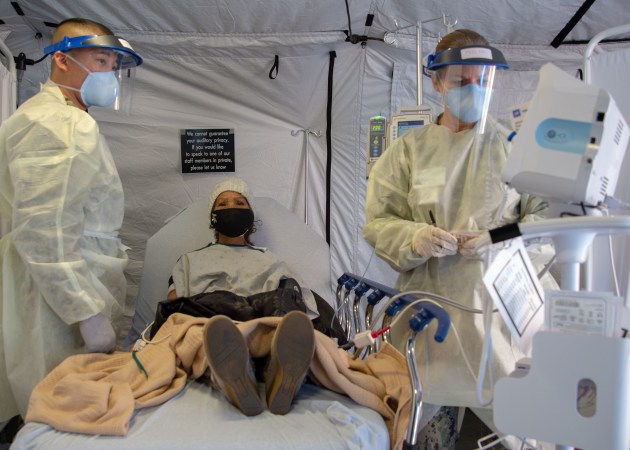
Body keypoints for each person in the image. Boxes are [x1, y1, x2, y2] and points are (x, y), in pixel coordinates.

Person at [362, 29, 553, 446]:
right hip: (433, 326)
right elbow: (378, 222)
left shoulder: (514, 147)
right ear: (436, 81)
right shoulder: (408, 151)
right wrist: (417, 238)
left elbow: (549, 225)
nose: (475, 91)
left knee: (524, 435)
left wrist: (499, 237)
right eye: (462, 82)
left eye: (483, 81)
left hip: (504, 322)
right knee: (422, 435)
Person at [0, 18, 143, 425]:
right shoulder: (59, 123)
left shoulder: (55, 117)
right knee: (63, 415)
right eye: (100, 59)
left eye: (114, 64)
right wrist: (85, 313)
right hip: (59, 308)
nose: (109, 73)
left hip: (59, 294)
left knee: (59, 412)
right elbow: (43, 229)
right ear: (61, 59)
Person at [161, 177, 342, 416]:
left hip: (262, 323)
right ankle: (236, 373)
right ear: (212, 216)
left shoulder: (271, 260)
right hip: (213, 325)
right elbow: (173, 312)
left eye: (239, 203)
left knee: (286, 323)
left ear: (251, 215)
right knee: (195, 332)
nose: (231, 208)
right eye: (222, 204)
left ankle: (271, 371)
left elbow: (297, 299)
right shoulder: (188, 261)